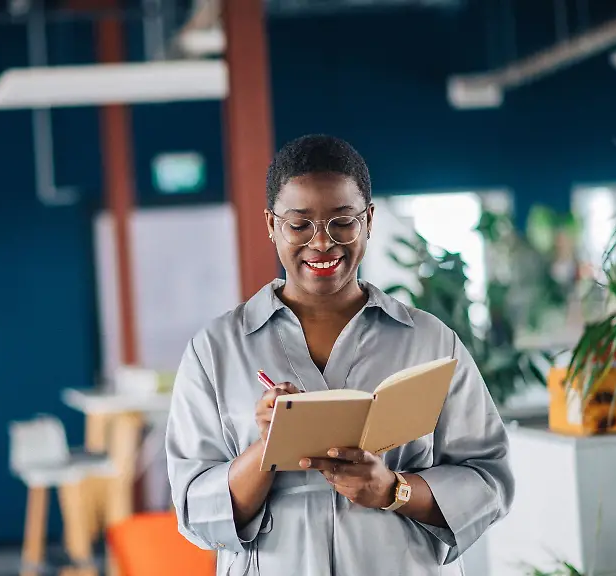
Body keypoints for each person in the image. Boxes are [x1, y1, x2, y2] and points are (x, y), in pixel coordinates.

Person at [165, 134, 513, 575]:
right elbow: (194, 509)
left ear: (368, 221)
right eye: (300, 224)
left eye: (342, 221)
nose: (323, 243)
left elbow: (488, 481)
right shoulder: (214, 350)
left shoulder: (430, 341)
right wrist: (268, 449)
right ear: (271, 225)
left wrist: (392, 489)